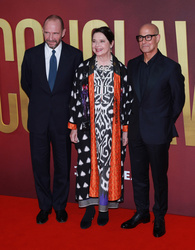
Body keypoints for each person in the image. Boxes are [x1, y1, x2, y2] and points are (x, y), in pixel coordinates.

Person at [121, 23, 185, 237]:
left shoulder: (170, 67)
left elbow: (178, 100)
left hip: (158, 132)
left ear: (158, 38)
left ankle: (159, 216)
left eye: (149, 37)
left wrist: (165, 122)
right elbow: (128, 99)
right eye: (140, 37)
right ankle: (142, 212)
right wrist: (128, 128)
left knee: (159, 177)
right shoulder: (132, 64)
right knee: (139, 175)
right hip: (136, 131)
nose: (144, 41)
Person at [68, 26, 133, 229]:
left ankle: (103, 208)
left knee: (107, 169)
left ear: (111, 43)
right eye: (94, 41)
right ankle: (89, 208)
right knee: (88, 169)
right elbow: (75, 99)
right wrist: (73, 126)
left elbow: (127, 103)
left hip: (112, 130)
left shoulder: (121, 70)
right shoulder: (83, 69)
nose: (97, 45)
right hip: (89, 129)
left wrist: (125, 131)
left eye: (102, 41)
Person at [21, 15, 83, 224]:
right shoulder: (31, 55)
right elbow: (26, 83)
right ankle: (44, 206)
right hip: (38, 120)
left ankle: (59, 206)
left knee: (62, 165)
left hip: (62, 120)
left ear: (63, 33)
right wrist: (42, 103)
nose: (50, 37)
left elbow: (77, 89)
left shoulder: (75, 55)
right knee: (39, 165)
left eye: (55, 33)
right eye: (47, 32)